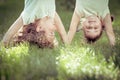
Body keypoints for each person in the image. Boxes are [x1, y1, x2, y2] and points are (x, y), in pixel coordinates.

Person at [2, 0, 67, 47]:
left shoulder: (30, 14)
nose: (55, 28)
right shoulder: (51, 14)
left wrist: (3, 44)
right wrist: (66, 44)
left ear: (39, 28)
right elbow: (62, 33)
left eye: (51, 31)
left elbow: (10, 32)